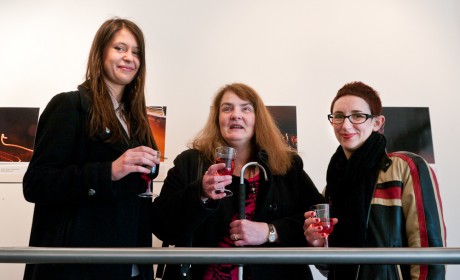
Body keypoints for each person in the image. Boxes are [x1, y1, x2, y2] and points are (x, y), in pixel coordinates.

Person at [22, 18, 160, 280]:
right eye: (120, 48)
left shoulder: (138, 120)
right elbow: (36, 184)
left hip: (131, 265)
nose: (129, 57)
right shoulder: (69, 106)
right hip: (77, 268)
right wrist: (108, 171)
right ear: (100, 53)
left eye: (136, 52)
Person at [152, 83, 325, 280]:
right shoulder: (190, 162)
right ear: (217, 119)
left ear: (257, 119)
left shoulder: (288, 164)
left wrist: (270, 231)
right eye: (227, 108)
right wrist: (199, 192)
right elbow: (161, 226)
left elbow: (318, 217)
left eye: (246, 108)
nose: (236, 114)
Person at [303, 81, 447, 279]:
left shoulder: (405, 167)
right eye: (338, 116)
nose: (346, 125)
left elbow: (429, 252)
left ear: (377, 123)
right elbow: (329, 267)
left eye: (357, 116)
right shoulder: (332, 186)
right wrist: (317, 246)